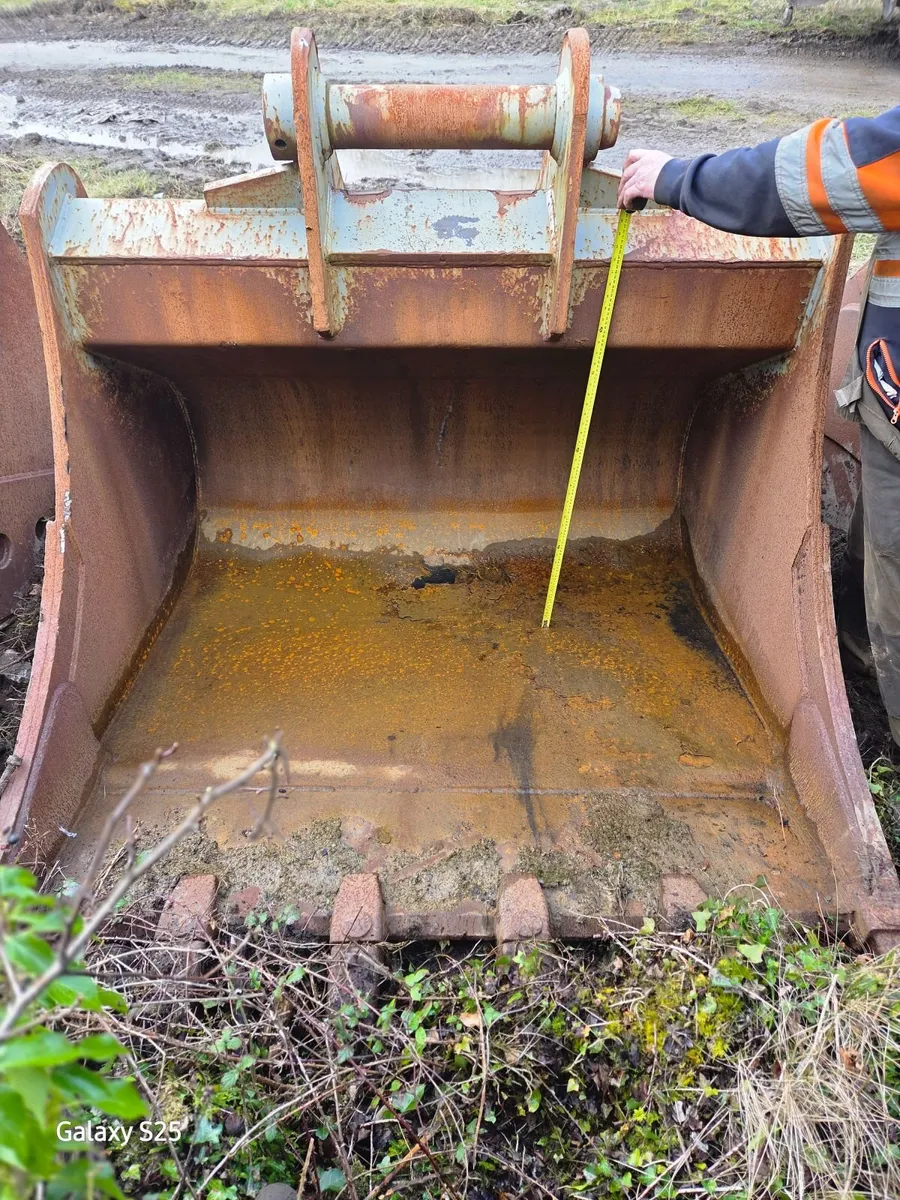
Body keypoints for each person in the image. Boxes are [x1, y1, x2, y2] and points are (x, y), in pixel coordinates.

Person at [617, 111, 900, 748]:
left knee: (895, 579)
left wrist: (678, 179)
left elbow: (803, 180)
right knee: (874, 553)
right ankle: (855, 654)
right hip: (891, 411)